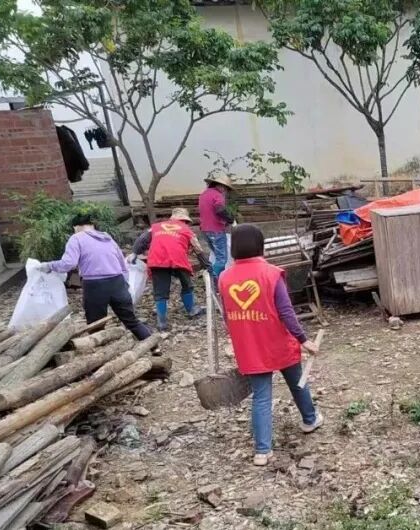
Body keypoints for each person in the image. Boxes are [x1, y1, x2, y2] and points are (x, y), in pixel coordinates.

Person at [218, 224, 323, 466]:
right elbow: (286, 313)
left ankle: (262, 451)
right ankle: (310, 419)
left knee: (261, 397)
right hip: (278, 343)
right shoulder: (271, 273)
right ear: (260, 245)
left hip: (249, 346)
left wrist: (235, 339)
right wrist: (304, 340)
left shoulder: (224, 278)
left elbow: (226, 315)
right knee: (297, 383)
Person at [40, 213, 152, 340]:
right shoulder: (107, 238)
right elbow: (122, 262)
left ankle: (98, 347)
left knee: (95, 323)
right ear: (92, 225)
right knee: (131, 320)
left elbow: (68, 264)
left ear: (76, 227)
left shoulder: (76, 238)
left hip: (94, 284)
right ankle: (152, 344)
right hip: (118, 281)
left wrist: (49, 266)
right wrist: (125, 283)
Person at [133, 208, 206, 331]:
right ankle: (191, 310)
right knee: (187, 285)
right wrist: (206, 264)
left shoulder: (156, 227)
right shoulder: (186, 230)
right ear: (185, 221)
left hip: (157, 259)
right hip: (178, 259)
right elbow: (198, 249)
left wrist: (135, 253)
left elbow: (141, 240)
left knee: (160, 291)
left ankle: (161, 322)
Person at [199, 174, 235, 284]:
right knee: (221, 260)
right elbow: (219, 210)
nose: (225, 192)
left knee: (217, 257)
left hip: (205, 230)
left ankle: (220, 282)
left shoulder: (204, 194)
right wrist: (229, 218)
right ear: (221, 186)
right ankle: (210, 281)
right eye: (226, 189)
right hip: (216, 230)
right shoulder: (217, 195)